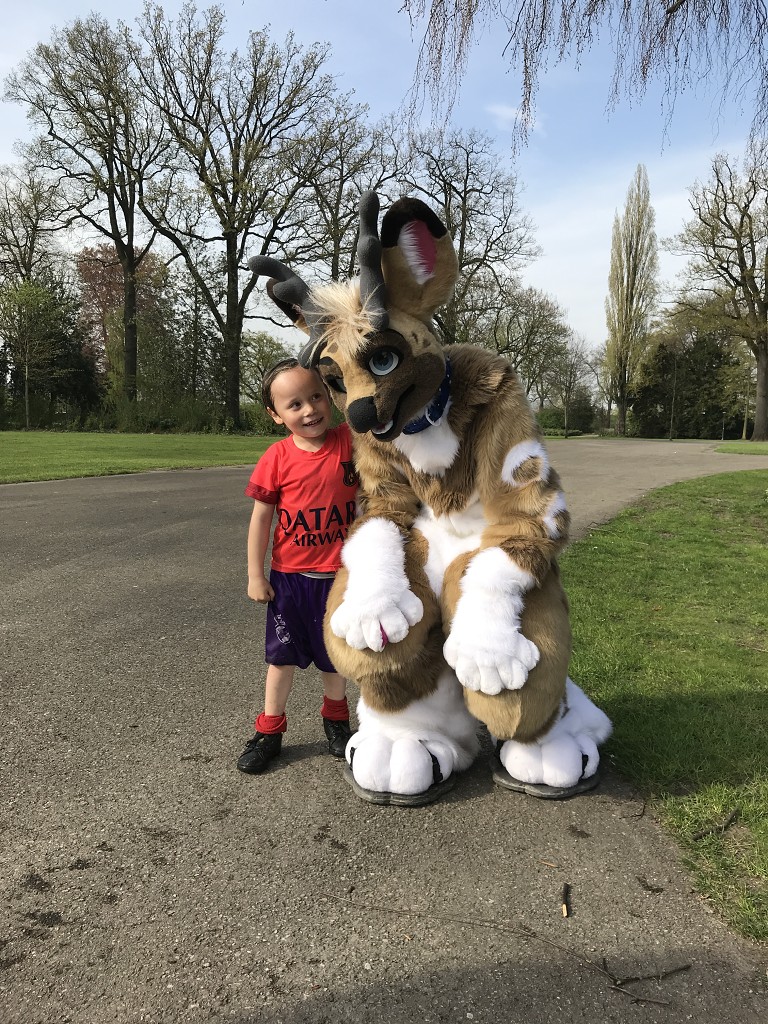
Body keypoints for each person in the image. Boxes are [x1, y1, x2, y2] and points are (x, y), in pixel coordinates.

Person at [237, 357, 359, 775]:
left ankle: (337, 721)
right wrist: (255, 575)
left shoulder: (349, 442)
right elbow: (261, 520)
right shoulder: (276, 458)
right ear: (275, 415)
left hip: (339, 579)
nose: (309, 410)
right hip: (290, 580)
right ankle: (269, 731)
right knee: (281, 659)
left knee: (335, 658)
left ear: (330, 397)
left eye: (316, 397)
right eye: (294, 404)